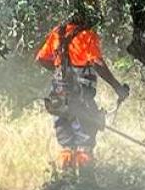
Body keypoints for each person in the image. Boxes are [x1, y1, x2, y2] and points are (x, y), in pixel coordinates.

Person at [36, 19, 130, 171]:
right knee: (84, 146)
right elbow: (98, 64)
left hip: (58, 101)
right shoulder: (87, 35)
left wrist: (59, 71)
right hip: (81, 102)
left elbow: (41, 58)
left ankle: (64, 184)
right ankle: (86, 188)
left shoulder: (57, 33)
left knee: (66, 147)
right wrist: (118, 88)